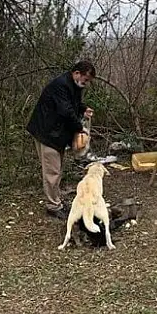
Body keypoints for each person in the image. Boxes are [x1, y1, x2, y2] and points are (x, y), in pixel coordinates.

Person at [26, 60, 95, 219]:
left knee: (56, 170)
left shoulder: (73, 85)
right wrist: (80, 129)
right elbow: (66, 111)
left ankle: (56, 201)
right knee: (52, 171)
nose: (85, 83)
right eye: (85, 80)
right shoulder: (61, 85)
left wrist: (83, 109)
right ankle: (53, 206)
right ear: (77, 73)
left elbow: (73, 104)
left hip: (56, 133)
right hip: (47, 133)